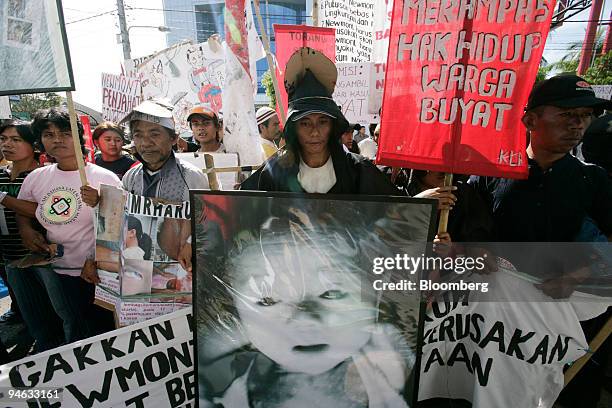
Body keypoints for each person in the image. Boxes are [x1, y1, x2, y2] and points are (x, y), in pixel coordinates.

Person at [470, 75, 612, 408]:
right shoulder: (490, 174)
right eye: (566, 114)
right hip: (499, 327)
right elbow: (469, 235)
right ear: (530, 120)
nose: (578, 124)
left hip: (573, 324)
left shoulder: (594, 180)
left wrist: (577, 277)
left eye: (586, 115)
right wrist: (478, 253)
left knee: (571, 393)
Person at [6, 108, 121, 352]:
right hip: (55, 273)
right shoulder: (36, 178)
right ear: (41, 141)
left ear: (79, 137)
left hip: (97, 275)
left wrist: (101, 203)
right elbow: (26, 211)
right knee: (71, 331)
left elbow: (120, 225)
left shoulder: (104, 177)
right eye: (49, 134)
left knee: (102, 334)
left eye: (65, 133)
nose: (57, 139)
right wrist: (26, 230)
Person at [241, 48, 399, 195]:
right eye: (305, 123)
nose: (315, 132)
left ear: (333, 125)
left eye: (322, 122)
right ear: (293, 128)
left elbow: (397, 214)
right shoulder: (274, 173)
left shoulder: (358, 172)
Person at [0, 122, 39, 324]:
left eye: (16, 140)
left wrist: (2, 198)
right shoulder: (1, 174)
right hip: (7, 253)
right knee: (27, 309)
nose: (7, 145)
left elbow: (38, 211)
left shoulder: (41, 176)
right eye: (3, 139)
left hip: (37, 256)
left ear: (34, 145)